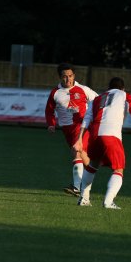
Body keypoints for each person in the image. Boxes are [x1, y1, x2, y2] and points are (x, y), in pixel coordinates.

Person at [72, 77, 131, 209]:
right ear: (122, 88)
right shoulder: (124, 95)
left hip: (95, 135)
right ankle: (108, 201)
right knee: (118, 169)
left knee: (92, 165)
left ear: (108, 88)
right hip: (111, 135)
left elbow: (87, 118)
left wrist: (80, 139)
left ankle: (84, 198)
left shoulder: (98, 98)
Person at [45, 63, 98, 197]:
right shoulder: (55, 93)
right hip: (67, 130)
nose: (68, 79)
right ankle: (91, 177)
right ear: (60, 77)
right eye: (64, 76)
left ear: (74, 76)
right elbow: (49, 111)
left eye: (70, 76)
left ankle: (76, 187)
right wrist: (51, 124)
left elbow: (98, 100)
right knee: (83, 158)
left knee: (76, 152)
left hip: (82, 126)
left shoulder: (83, 89)